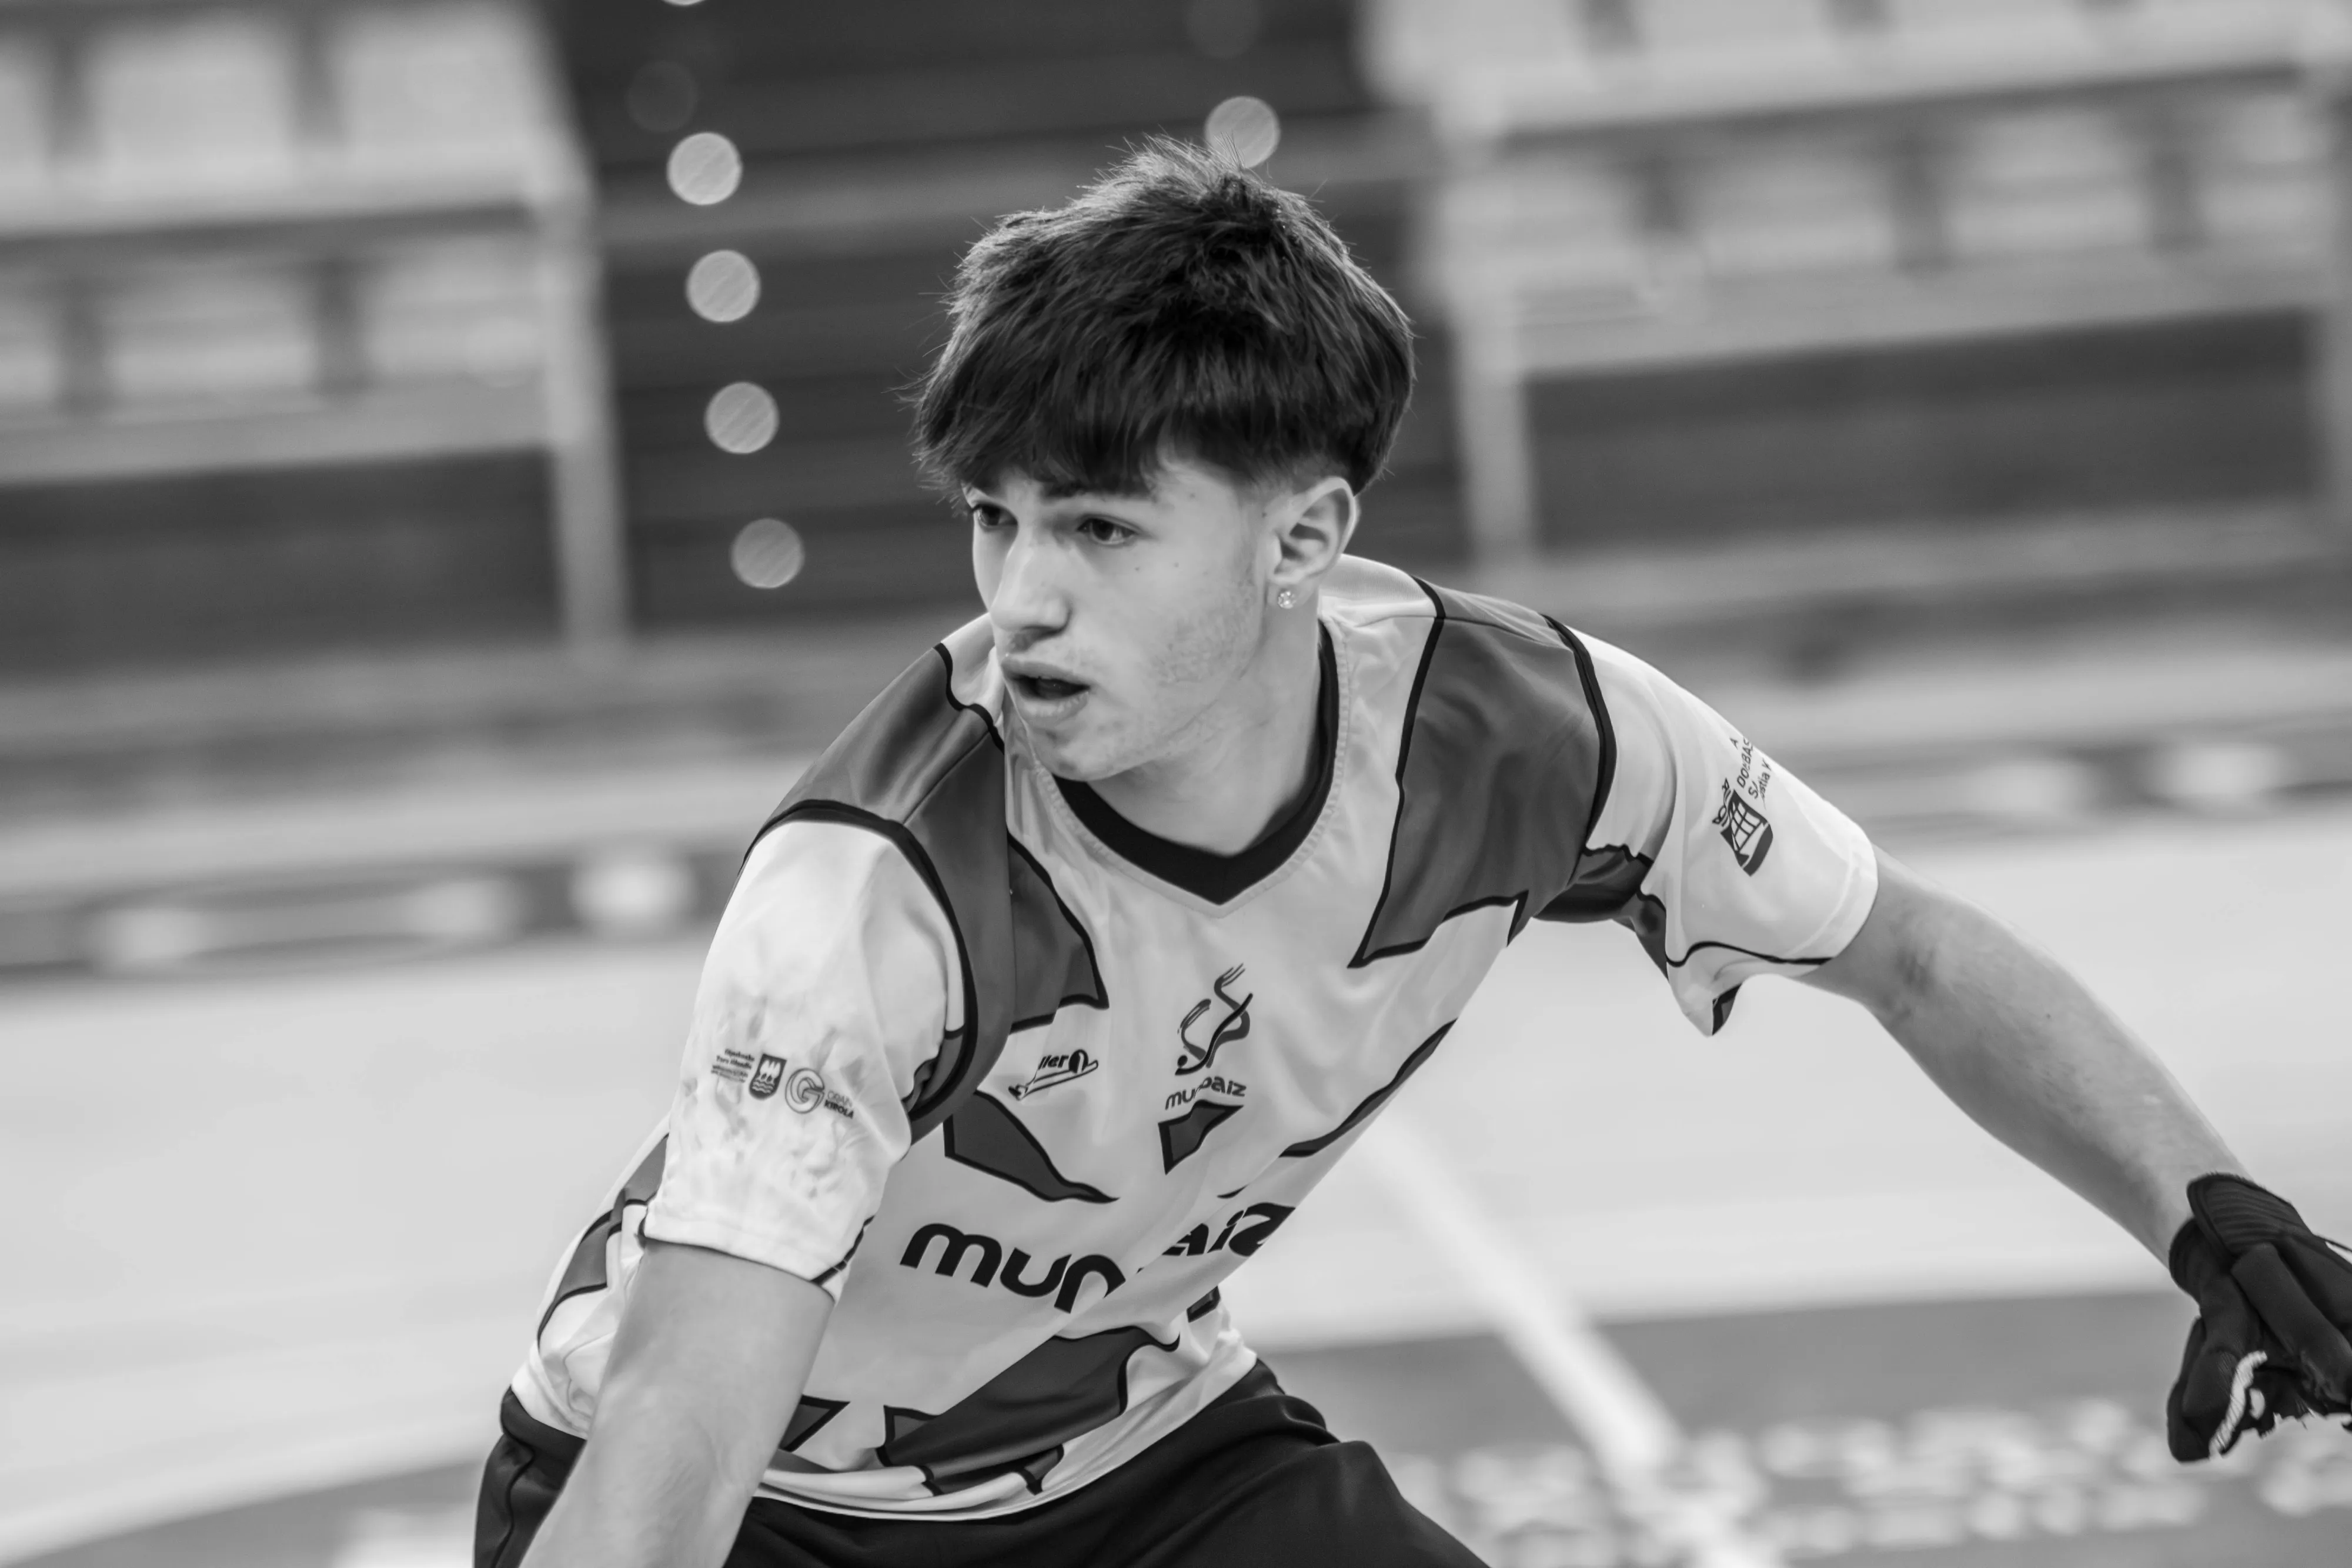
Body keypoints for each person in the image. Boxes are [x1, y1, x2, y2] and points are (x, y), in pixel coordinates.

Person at [477, 141, 2350, 1568]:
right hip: (769, 1510)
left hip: (1134, 1467)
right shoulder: (874, 891)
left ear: (1304, 540)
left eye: (1101, 531)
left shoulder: (1529, 737)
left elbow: (1911, 955)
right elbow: (682, 1425)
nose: (1022, 599)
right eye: (996, 519)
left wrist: (2210, 1216)